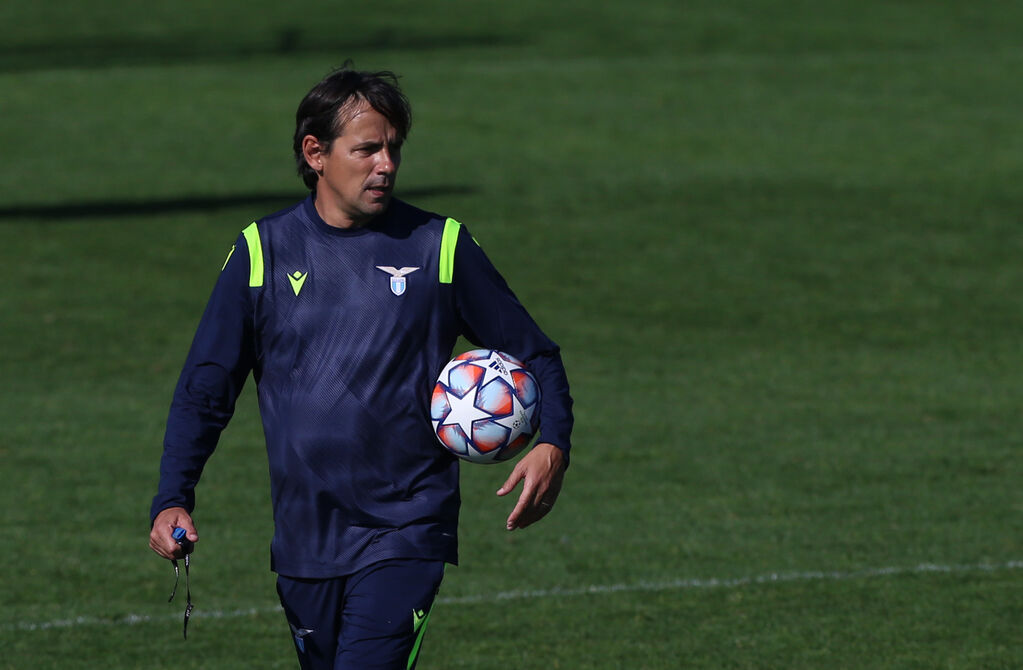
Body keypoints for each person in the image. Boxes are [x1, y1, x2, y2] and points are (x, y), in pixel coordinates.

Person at [148, 66, 574, 670]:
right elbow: (205, 389)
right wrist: (172, 496)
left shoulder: (438, 246)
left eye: (393, 148)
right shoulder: (260, 254)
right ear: (315, 153)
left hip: (406, 530)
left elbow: (537, 353)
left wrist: (552, 439)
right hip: (304, 543)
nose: (386, 165)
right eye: (367, 148)